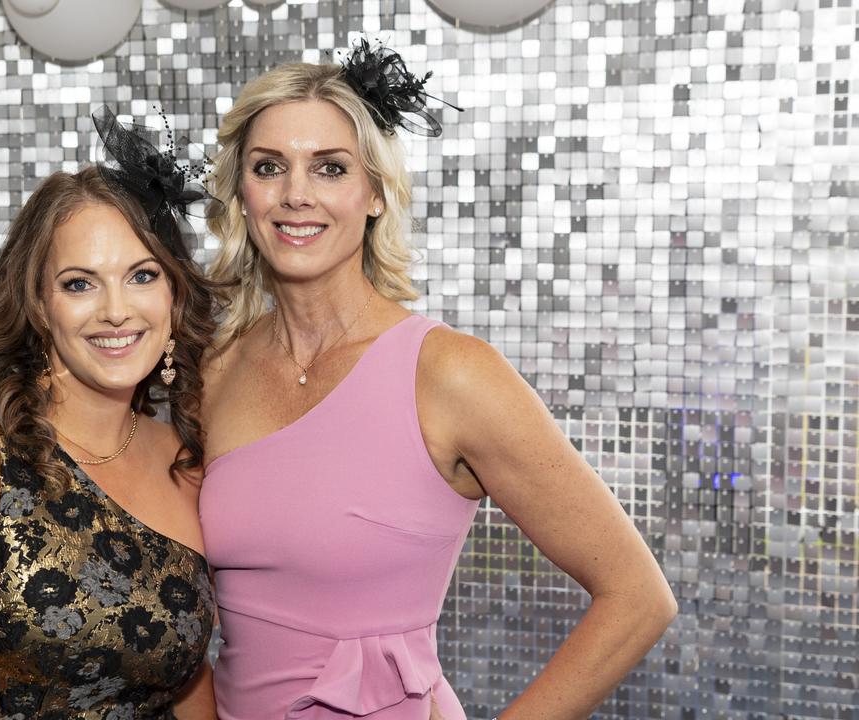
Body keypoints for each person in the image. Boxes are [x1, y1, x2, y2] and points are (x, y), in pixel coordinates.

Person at [198, 42, 677, 720]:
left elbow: (638, 596)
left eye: (330, 168)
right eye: (269, 167)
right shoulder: (215, 371)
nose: (295, 194)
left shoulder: (449, 374)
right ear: (242, 195)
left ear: (373, 193)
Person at [0, 109, 220, 719]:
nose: (115, 310)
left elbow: (186, 681)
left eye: (142, 275)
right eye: (80, 283)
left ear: (175, 295)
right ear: (39, 305)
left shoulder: (186, 463)